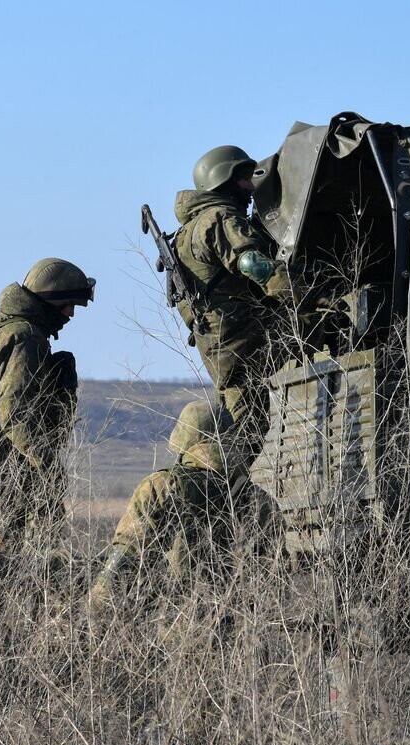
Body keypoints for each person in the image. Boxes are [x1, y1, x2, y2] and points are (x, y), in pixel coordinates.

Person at [0, 258, 93, 556]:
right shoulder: (24, 337)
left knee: (10, 547)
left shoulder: (0, 326)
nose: (70, 313)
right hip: (11, 462)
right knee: (18, 551)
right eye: (67, 304)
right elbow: (17, 414)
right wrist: (46, 465)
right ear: (48, 301)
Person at [88, 399, 279, 611]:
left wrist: (93, 620)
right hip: (241, 633)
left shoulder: (163, 487)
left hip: (169, 628)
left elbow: (121, 567)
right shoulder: (261, 501)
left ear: (184, 438)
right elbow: (273, 587)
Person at [173, 145, 290, 460]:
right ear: (223, 181)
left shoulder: (187, 231)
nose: (251, 188)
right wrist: (292, 292)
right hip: (240, 339)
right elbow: (250, 262)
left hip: (221, 342)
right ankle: (220, 497)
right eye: (244, 179)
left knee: (241, 426)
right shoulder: (219, 217)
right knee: (246, 436)